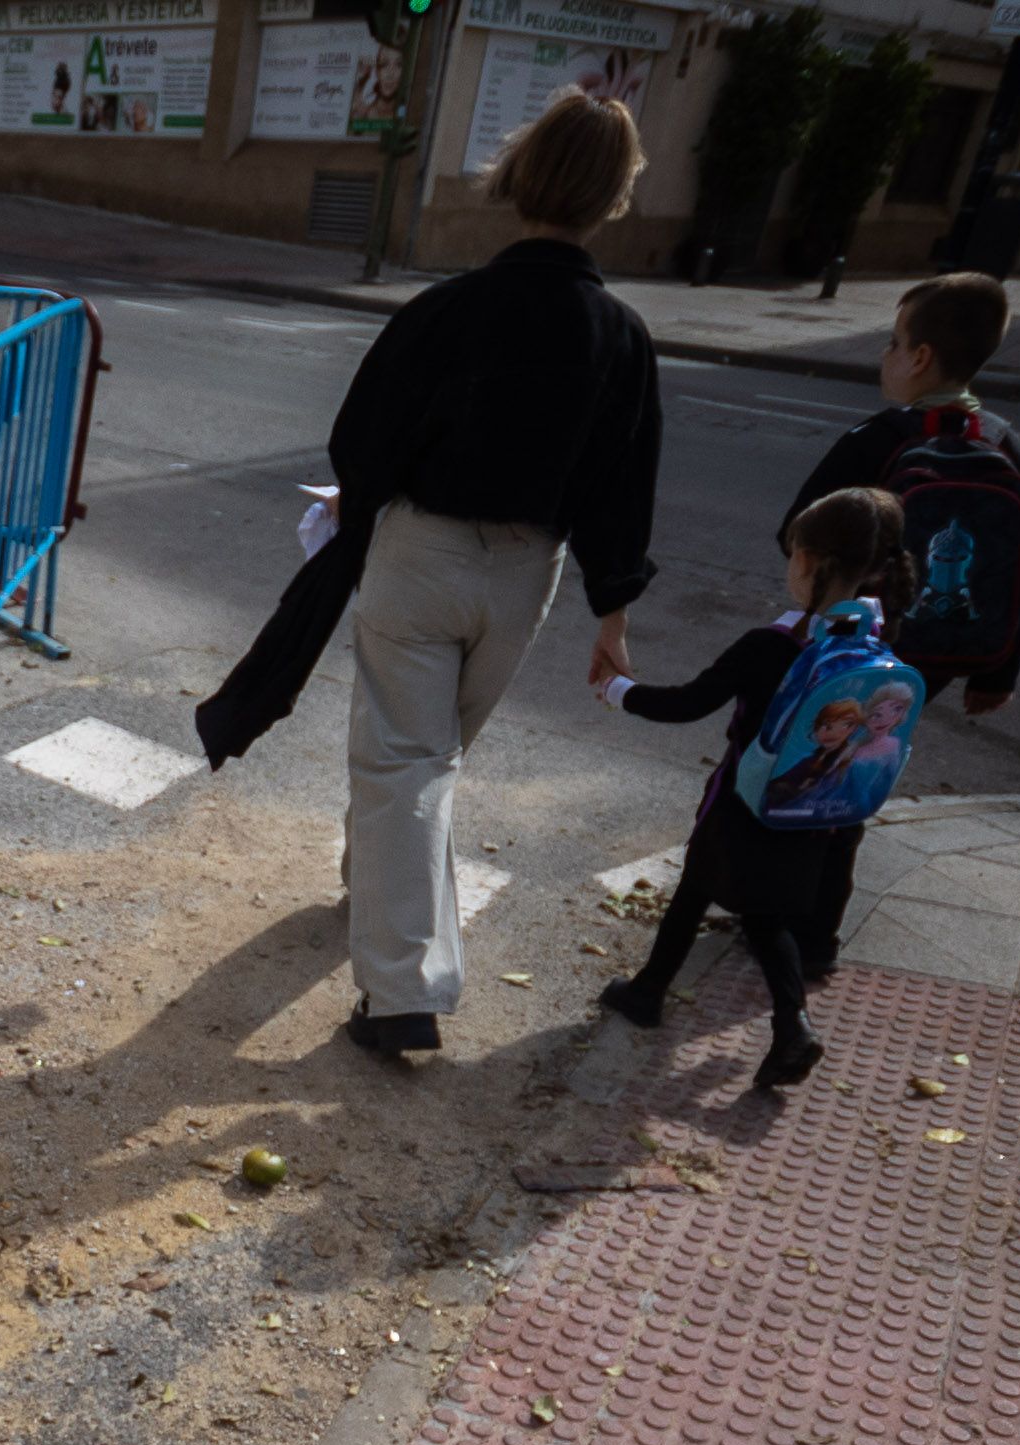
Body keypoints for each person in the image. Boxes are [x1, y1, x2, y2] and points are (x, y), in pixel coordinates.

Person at [315, 89, 662, 1056]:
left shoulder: (449, 310)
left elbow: (362, 436)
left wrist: (354, 501)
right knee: (427, 757)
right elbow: (624, 481)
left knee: (403, 757)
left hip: (421, 555)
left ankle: (403, 995)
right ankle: (368, 882)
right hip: (525, 577)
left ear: (521, 176)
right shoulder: (621, 335)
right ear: (612, 195)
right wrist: (614, 611)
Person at [589, 488, 917, 1090]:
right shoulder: (875, 639)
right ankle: (781, 1021)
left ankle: (661, 994)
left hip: (746, 798)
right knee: (763, 915)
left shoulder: (770, 645)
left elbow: (687, 704)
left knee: (700, 886)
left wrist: (617, 691)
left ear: (810, 562)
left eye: (794, 555)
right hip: (815, 808)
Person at [777, 272, 1020, 979]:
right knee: (863, 766)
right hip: (942, 653)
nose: (886, 356)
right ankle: (817, 933)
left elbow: (796, 530)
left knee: (813, 766)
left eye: (893, 343)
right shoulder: (1008, 441)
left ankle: (796, 929)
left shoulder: (879, 436)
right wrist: (998, 672)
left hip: (855, 642)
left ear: (920, 357)